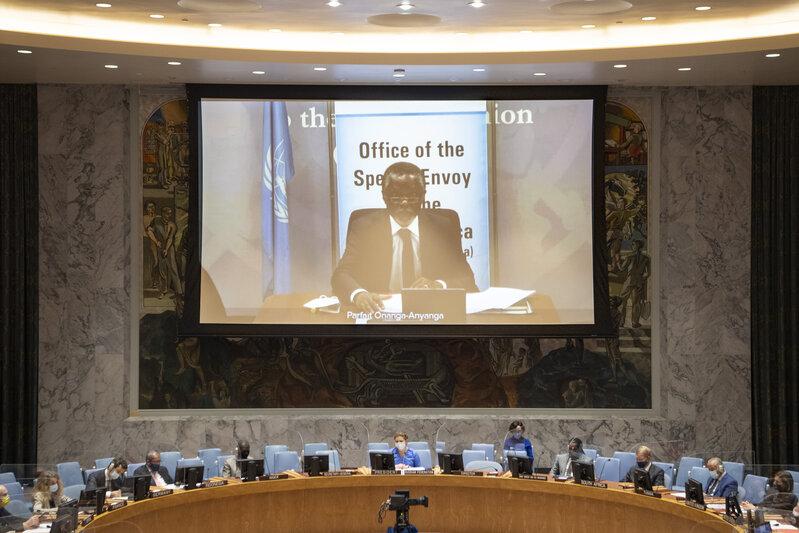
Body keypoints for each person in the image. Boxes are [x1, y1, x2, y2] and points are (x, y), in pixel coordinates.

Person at [331, 162, 478, 312]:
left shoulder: (442, 228)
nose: (404, 202)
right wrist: (359, 294)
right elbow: (341, 275)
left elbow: (468, 279)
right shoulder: (364, 228)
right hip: (379, 310)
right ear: (384, 197)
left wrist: (438, 285)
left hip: (430, 312)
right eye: (396, 196)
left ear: (423, 196)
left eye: (412, 196)